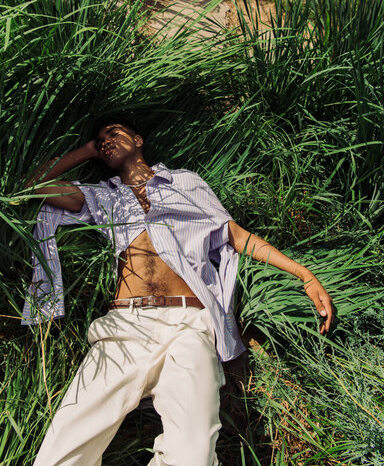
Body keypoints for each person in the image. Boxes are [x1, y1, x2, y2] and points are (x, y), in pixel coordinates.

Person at [22, 117, 334, 466]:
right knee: (65, 442)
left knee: (195, 452)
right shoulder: (103, 196)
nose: (106, 139)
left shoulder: (185, 181)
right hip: (127, 324)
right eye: (100, 139)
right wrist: (88, 150)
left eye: (114, 132)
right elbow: (34, 185)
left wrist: (302, 273)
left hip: (190, 323)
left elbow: (233, 234)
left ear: (138, 139)